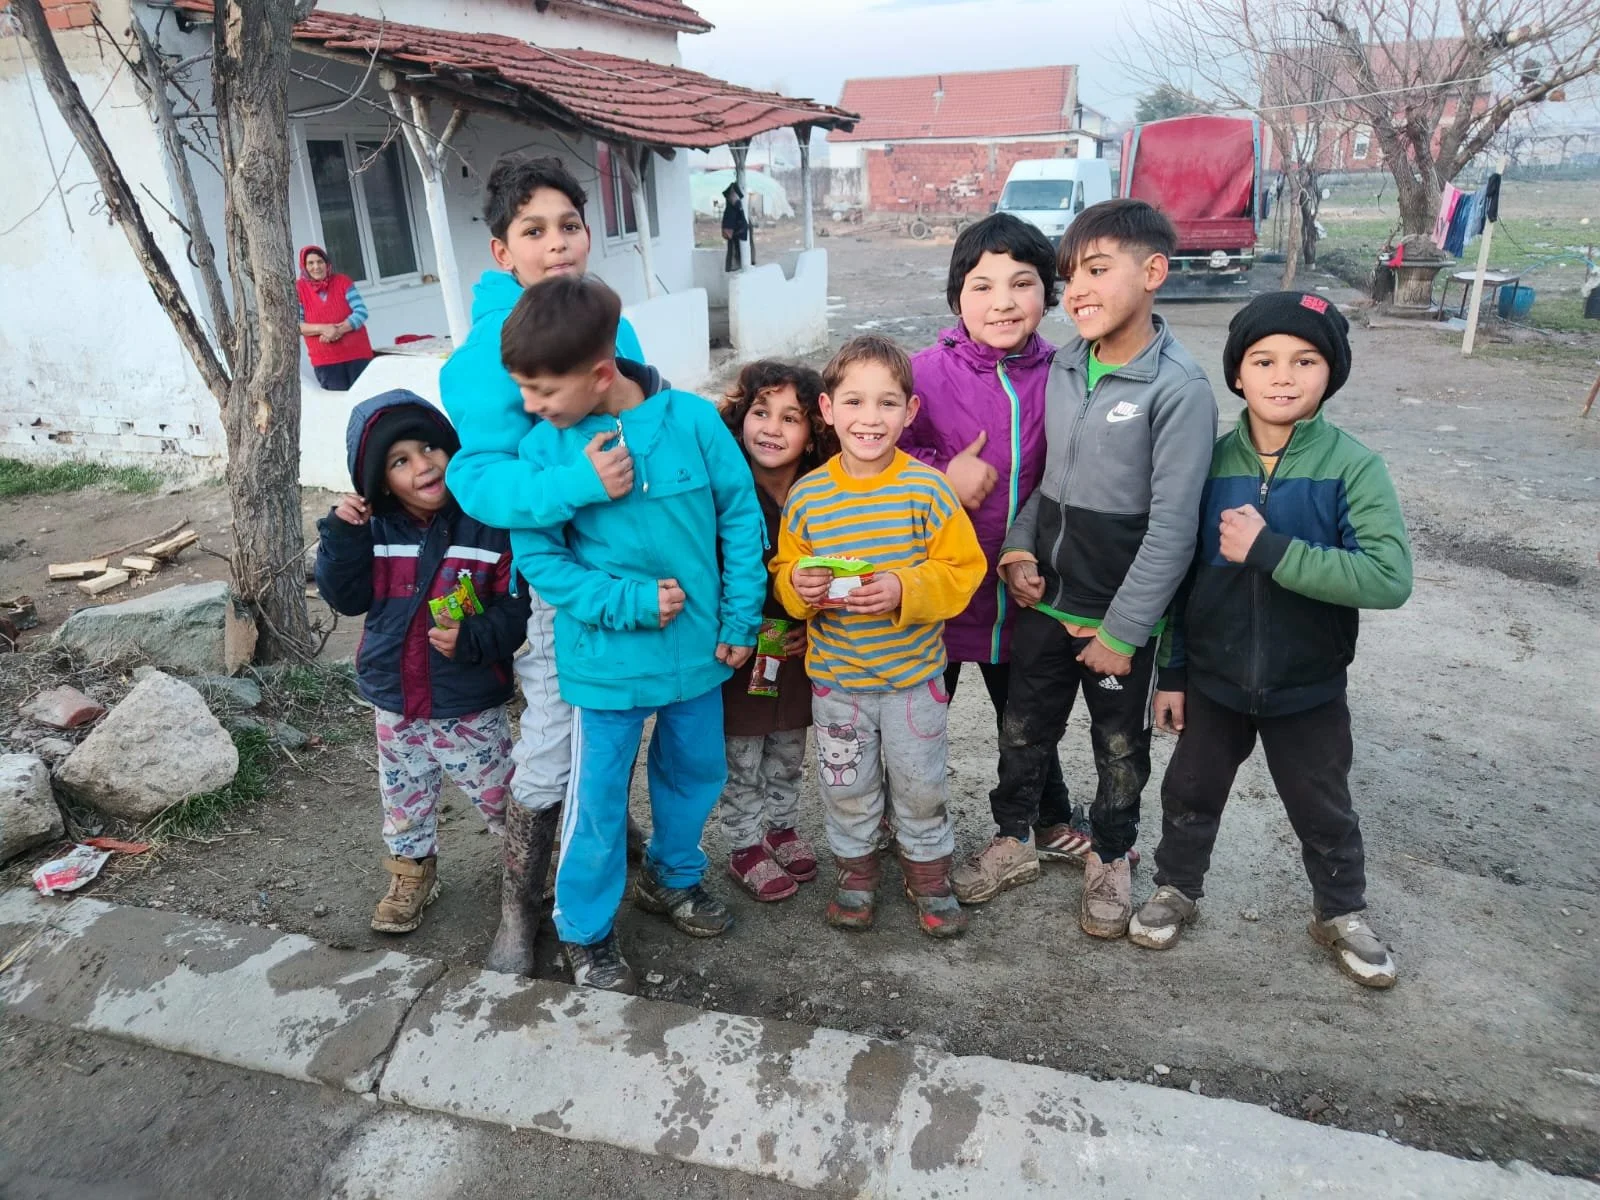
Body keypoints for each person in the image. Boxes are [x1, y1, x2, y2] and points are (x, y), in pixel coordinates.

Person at [1130, 292, 1411, 989]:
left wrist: (1273, 550)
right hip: (1215, 682)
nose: (1283, 376)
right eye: (1264, 360)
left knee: (1323, 805)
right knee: (1190, 790)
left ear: (1331, 372)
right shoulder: (1211, 463)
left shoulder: (1353, 466)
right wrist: (1172, 673)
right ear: (1237, 375)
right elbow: (1181, 578)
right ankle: (1176, 889)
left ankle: (1341, 911)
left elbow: (1388, 577)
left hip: (1308, 686)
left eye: (1305, 360)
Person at [504, 275, 766, 994]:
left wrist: (742, 615)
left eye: (543, 391)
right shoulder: (545, 454)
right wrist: (625, 602)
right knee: (597, 801)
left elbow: (740, 516)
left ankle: (673, 878)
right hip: (607, 666)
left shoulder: (692, 421)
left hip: (698, 655)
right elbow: (540, 560)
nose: (530, 407)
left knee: (695, 774)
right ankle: (584, 932)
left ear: (599, 372)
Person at [977, 199, 1218, 940]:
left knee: (1118, 747)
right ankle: (1014, 838)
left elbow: (1175, 529)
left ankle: (1113, 854)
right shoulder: (1068, 362)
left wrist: (1123, 630)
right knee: (1022, 729)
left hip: (1118, 620)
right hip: (1048, 602)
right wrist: (1019, 547)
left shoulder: (1178, 389)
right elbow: (1046, 481)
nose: (1076, 289)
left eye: (1098, 270)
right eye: (1070, 274)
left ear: (1153, 273)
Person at [438, 154, 646, 977]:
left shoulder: (614, 326)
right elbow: (482, 480)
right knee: (555, 739)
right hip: (555, 584)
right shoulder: (485, 355)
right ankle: (521, 913)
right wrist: (576, 483)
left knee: (615, 732)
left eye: (569, 225)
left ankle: (601, 867)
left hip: (629, 575)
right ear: (502, 252)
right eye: (534, 230)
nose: (557, 243)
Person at [900, 213, 1089, 903]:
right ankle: (909, 819)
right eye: (982, 286)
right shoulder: (923, 371)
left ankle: (1046, 816)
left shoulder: (1068, 374)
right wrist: (940, 473)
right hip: (942, 598)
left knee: (1030, 714)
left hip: (1029, 592)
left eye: (1022, 283)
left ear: (1049, 294)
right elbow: (880, 454)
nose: (1002, 301)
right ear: (957, 298)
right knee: (919, 716)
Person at [771, 334, 986, 939]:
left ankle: (930, 877)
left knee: (920, 784)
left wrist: (902, 589)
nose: (871, 419)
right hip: (837, 683)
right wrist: (800, 585)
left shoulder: (927, 489)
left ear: (910, 412)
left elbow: (962, 570)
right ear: (828, 409)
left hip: (913, 681)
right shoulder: (809, 496)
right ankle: (857, 874)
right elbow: (786, 572)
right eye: (855, 402)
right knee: (846, 785)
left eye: (888, 403)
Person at [314, 389, 531, 935]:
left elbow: (515, 612)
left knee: (501, 793)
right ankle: (413, 871)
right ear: (378, 480)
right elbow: (346, 598)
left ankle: (533, 864)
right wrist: (342, 537)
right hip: (395, 700)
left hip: (466, 701)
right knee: (403, 798)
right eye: (400, 460)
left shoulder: (488, 527)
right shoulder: (374, 532)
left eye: (431, 448)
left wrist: (474, 637)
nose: (423, 465)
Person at [716, 361, 835, 901]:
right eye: (761, 412)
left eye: (791, 417)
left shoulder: (825, 496)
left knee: (789, 748)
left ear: (813, 432)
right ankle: (743, 843)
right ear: (740, 418)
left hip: (798, 652)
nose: (772, 427)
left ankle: (782, 827)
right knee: (741, 755)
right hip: (740, 654)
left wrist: (815, 630)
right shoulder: (723, 493)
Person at [297, 245, 374, 391]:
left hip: (357, 355)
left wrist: (337, 331)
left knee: (366, 400)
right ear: (304, 267)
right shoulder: (299, 289)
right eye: (310, 263)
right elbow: (298, 325)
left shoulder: (343, 281)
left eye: (320, 262)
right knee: (337, 406)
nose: (316, 267)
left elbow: (361, 312)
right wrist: (324, 329)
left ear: (327, 264)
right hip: (326, 360)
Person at [722, 182, 749, 272]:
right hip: (736, 244)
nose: (735, 198)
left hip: (741, 244)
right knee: (737, 271)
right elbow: (727, 232)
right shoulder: (731, 209)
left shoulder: (738, 208)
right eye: (733, 196)